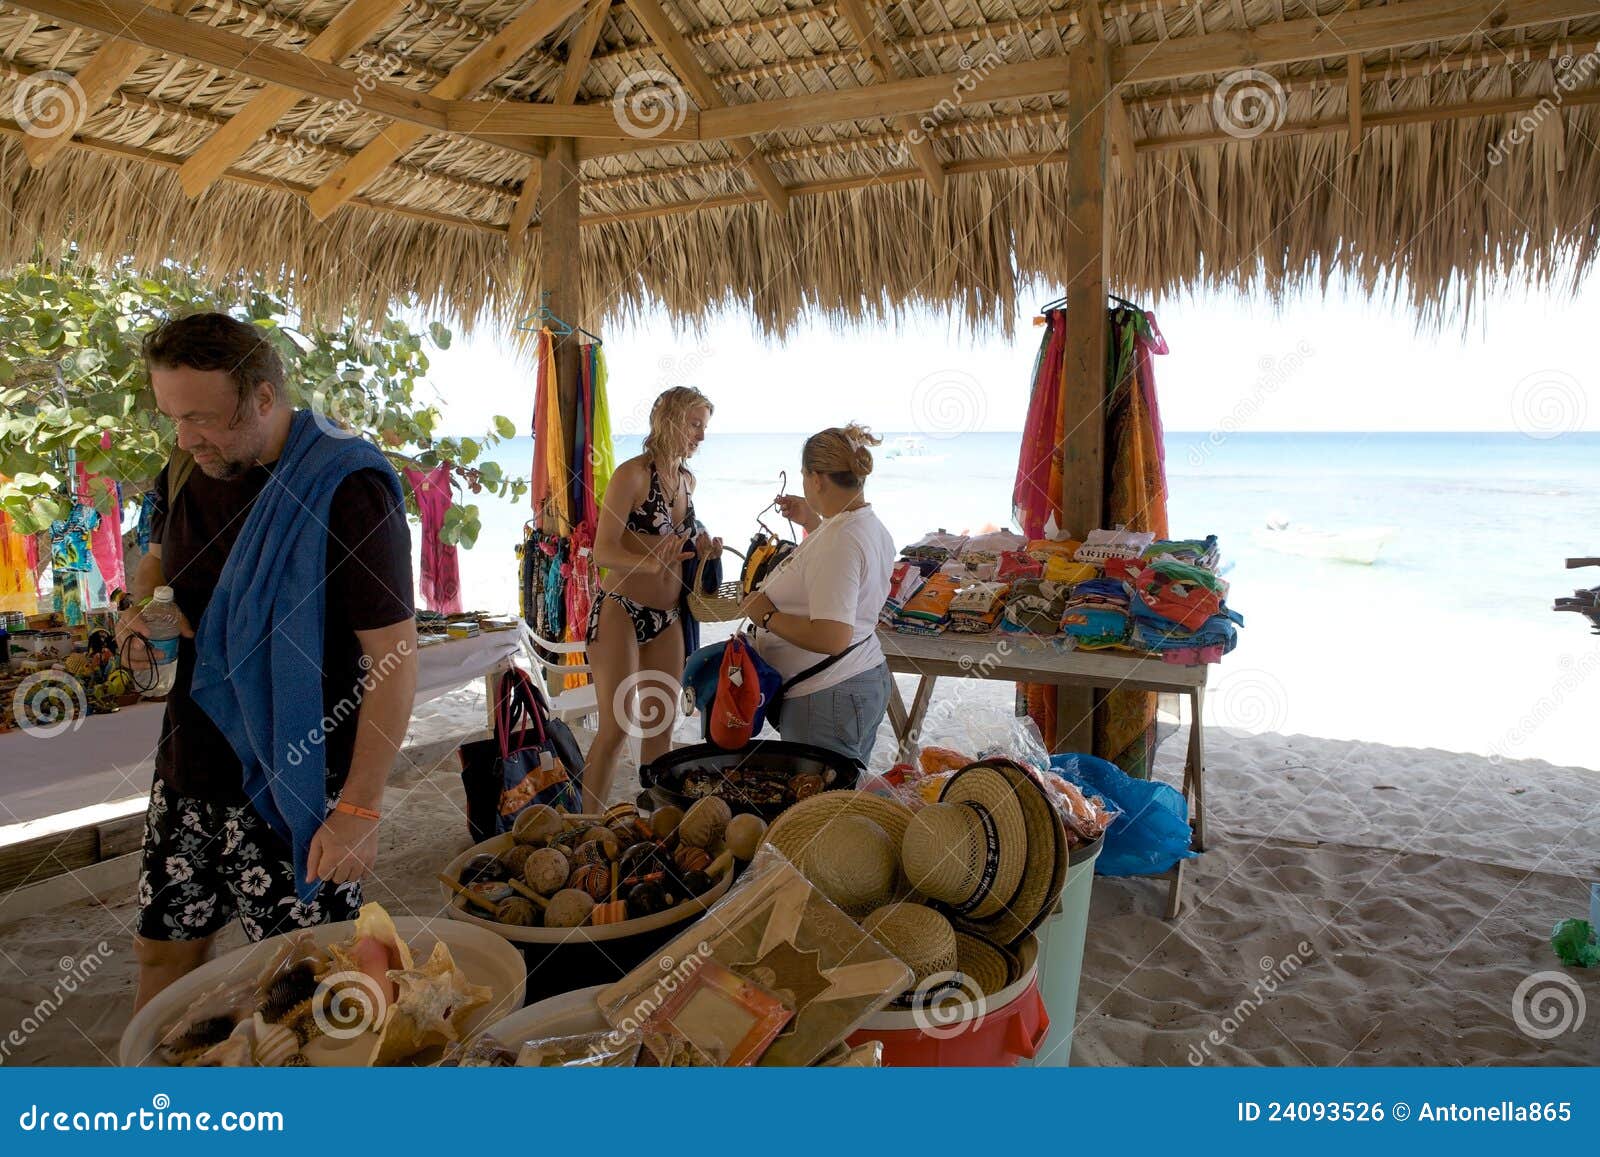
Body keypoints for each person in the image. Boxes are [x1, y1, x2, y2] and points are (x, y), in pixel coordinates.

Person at [119, 313, 417, 1010]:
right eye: (173, 418)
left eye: (201, 417)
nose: (185, 437)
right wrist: (144, 609)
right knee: (162, 955)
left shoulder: (345, 488)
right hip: (189, 766)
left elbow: (394, 657)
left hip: (299, 781)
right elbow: (155, 561)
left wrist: (361, 807)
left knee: (309, 984)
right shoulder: (186, 466)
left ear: (262, 397)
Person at [583, 387, 718, 811]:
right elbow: (603, 551)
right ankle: (584, 825)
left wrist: (704, 550)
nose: (701, 435)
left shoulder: (687, 481)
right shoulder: (633, 476)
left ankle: (656, 821)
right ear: (669, 420)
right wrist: (651, 562)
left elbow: (678, 546)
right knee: (615, 729)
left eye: (704, 427)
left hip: (668, 616)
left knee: (660, 726)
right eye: (695, 425)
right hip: (621, 610)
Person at [744, 424, 896, 765]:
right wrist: (811, 520)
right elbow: (840, 570)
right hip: (853, 681)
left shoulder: (839, 541)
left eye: (803, 476)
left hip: (828, 695)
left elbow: (832, 637)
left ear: (816, 479)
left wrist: (766, 615)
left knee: (818, 797)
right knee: (841, 791)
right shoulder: (865, 524)